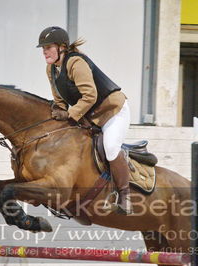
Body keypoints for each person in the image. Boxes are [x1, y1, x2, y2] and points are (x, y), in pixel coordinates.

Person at [37, 26, 133, 215]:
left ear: (62, 47)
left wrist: (70, 115)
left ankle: (125, 195)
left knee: (111, 146)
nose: (45, 52)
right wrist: (59, 112)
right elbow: (59, 100)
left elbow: (90, 95)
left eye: (48, 47)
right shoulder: (52, 69)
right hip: (90, 113)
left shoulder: (76, 63)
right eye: (43, 48)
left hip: (113, 110)